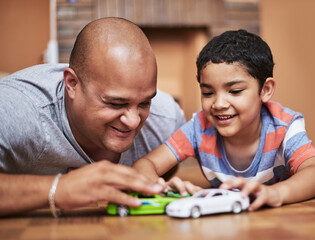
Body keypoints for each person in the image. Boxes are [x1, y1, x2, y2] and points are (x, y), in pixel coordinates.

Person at [0, 17, 185, 216]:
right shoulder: (15, 111)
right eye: (116, 103)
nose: (133, 121)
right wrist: (59, 189)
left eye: (145, 103)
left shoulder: (167, 122)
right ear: (72, 84)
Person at [133, 29, 315, 211]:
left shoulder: (284, 126)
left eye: (234, 91)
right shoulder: (199, 128)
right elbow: (145, 165)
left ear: (265, 90)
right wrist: (158, 186)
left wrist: (275, 193)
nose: (218, 104)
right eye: (208, 93)